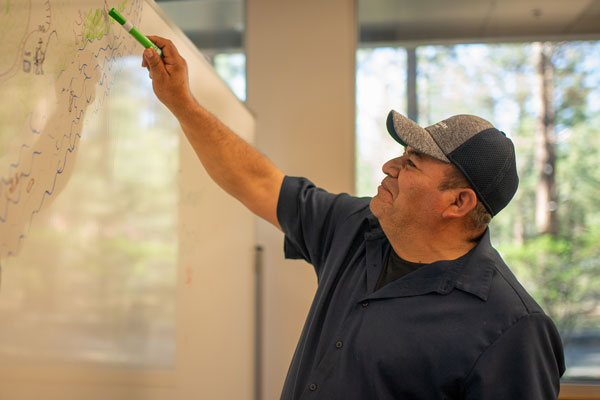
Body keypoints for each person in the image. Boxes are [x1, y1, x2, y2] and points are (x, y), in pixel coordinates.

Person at [142, 37, 565, 399]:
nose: (389, 168)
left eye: (412, 164)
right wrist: (181, 102)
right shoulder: (358, 227)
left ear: (458, 203)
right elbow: (258, 182)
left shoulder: (514, 330)